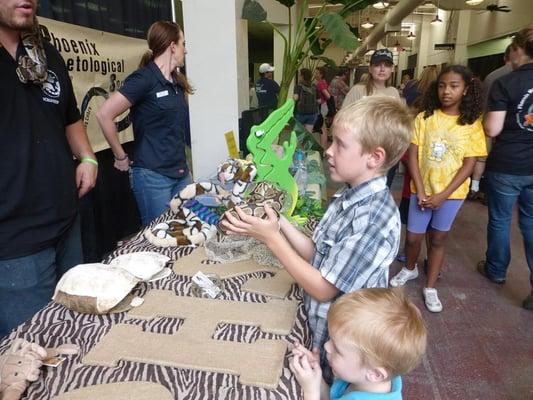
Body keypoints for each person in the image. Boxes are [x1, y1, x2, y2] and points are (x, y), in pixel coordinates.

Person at [220, 96, 412, 378]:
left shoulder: (373, 219)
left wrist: (271, 239)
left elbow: (324, 288)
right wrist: (280, 221)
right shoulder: (347, 197)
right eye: (331, 141)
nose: (328, 151)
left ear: (375, 157)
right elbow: (317, 254)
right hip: (323, 334)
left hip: (349, 354)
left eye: (340, 145)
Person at [0, 0, 98, 338]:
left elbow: (70, 116)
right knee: (30, 352)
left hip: (66, 220)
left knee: (76, 329)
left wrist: (88, 157)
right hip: (15, 241)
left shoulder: (48, 55)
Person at [389, 65, 487, 313]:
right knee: (412, 238)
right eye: (442, 85)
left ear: (465, 90)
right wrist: (420, 191)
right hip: (421, 190)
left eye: (454, 86)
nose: (447, 91)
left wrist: (443, 195)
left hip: (451, 195)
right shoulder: (424, 118)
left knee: (439, 238)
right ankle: (410, 268)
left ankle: (430, 286)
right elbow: (412, 156)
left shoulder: (472, 124)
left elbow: (469, 163)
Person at [96, 21, 193, 226]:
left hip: (181, 174)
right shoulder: (144, 79)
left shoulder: (177, 83)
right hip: (152, 178)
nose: (186, 49)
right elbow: (104, 115)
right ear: (172, 46)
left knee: (187, 232)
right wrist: (120, 156)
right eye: (183, 43)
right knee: (158, 239)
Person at [477, 28, 533, 310]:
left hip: (509, 163)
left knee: (500, 220)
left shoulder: (506, 82)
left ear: (517, 50)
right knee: (532, 223)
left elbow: (492, 128)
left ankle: (496, 270)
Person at [289, 288, 427, 400]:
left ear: (375, 374)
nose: (326, 346)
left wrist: (310, 392)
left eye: (337, 349)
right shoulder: (364, 377)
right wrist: (316, 377)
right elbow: (332, 396)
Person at [342, 49, 400, 188]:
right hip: (361, 153)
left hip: (386, 154)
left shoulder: (393, 93)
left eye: (386, 65)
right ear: (370, 68)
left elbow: (398, 123)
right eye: (377, 65)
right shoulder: (358, 90)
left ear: (392, 69)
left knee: (380, 195)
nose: (382, 69)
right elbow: (342, 120)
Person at [468, 45, 513, 202]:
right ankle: (491, 193)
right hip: (512, 132)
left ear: (504, 57)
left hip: (486, 122)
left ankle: (475, 188)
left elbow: (482, 102)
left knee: (482, 159)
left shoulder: (492, 76)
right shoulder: (520, 77)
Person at [293, 68, 318, 133]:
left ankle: (296, 143)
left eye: (299, 75)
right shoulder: (314, 86)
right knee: (308, 134)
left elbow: (295, 98)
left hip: (301, 113)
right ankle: (306, 143)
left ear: (302, 76)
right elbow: (319, 100)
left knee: (298, 134)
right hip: (313, 113)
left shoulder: (298, 86)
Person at [314, 66, 332, 149]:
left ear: (321, 75)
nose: (315, 74)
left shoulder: (320, 83)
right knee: (323, 127)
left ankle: (323, 148)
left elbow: (328, 96)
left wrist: (320, 100)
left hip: (322, 106)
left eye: (317, 73)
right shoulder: (324, 82)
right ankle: (323, 147)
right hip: (324, 106)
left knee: (322, 128)